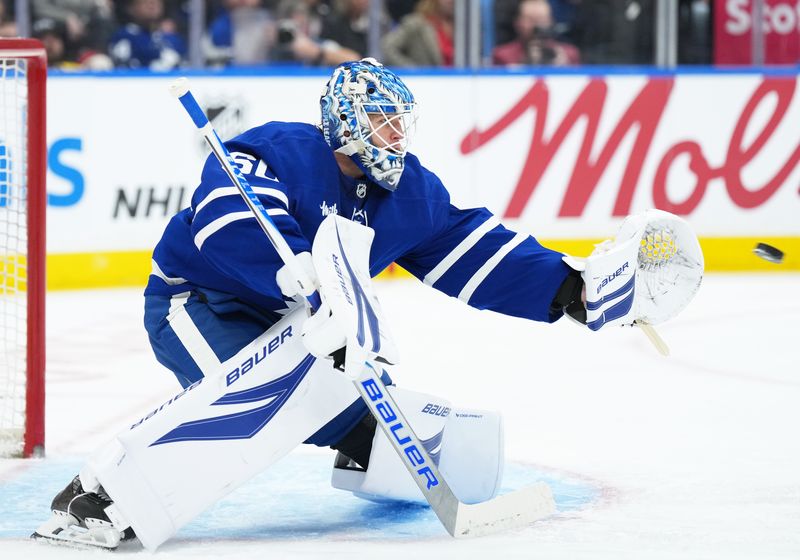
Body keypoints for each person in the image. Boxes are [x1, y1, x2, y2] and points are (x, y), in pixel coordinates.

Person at [32, 58, 701, 549]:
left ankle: (356, 448)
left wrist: (572, 291)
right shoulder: (285, 150)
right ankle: (97, 497)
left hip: (294, 323)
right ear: (345, 119)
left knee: (342, 411)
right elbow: (222, 209)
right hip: (195, 300)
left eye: (398, 122)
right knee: (266, 399)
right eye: (380, 120)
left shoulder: (409, 194)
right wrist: (288, 268)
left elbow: (471, 248)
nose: (393, 134)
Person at [492, 0, 580, 66]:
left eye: (541, 20)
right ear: (518, 23)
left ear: (551, 22)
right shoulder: (503, 57)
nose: (537, 26)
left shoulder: (569, 54)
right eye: (531, 20)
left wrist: (565, 68)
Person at [109, 0, 186, 70]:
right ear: (131, 8)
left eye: (156, 1)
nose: (152, 4)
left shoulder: (173, 39)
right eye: (145, 1)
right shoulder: (124, 36)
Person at [382, 0, 454, 67]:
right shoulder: (416, 23)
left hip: (457, 78)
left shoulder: (461, 27)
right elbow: (388, 47)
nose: (451, 1)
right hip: (425, 79)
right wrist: (413, 70)